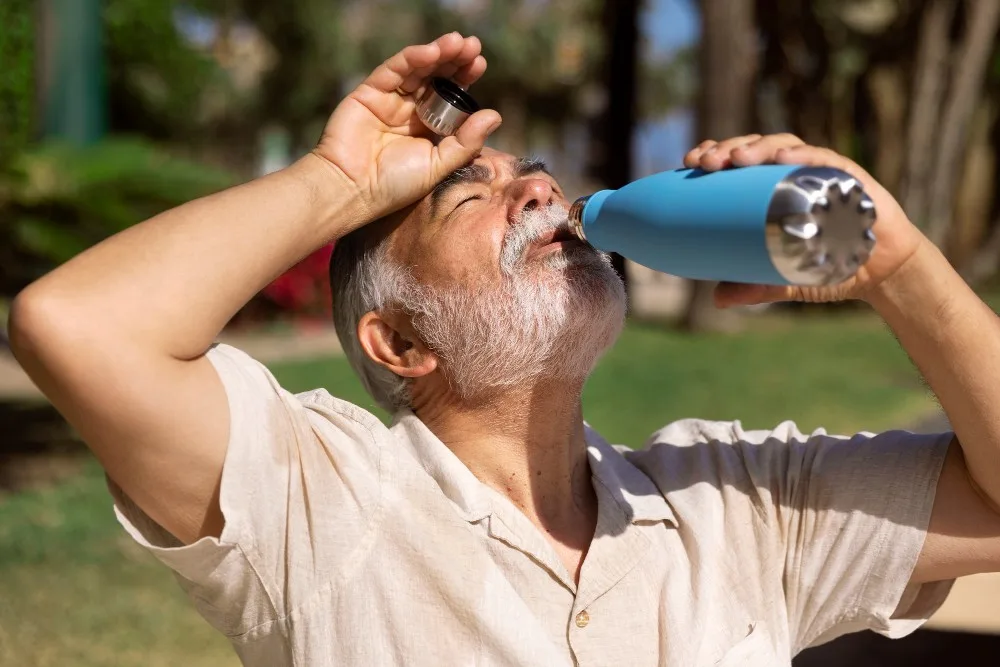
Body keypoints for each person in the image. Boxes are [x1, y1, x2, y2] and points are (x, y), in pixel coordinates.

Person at [9, 32, 1000, 667]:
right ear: (398, 341)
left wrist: (895, 265)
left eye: (530, 176)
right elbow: (80, 327)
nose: (537, 192)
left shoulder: (736, 505)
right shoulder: (319, 503)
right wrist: (337, 180)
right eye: (470, 196)